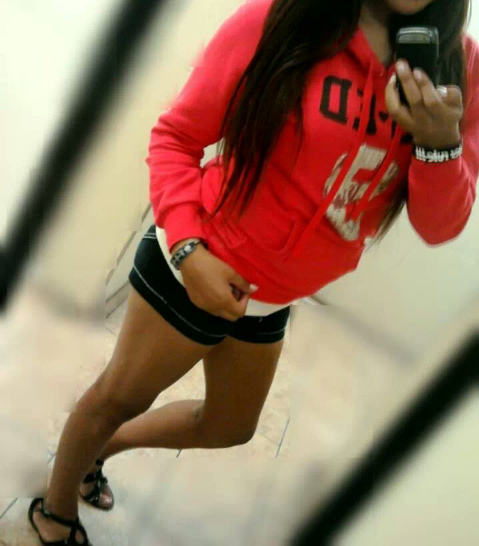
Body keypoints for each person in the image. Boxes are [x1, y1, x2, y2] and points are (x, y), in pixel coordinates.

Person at [28, 0, 479, 543]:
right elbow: (175, 137)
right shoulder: (282, 19)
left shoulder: (459, 68)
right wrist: (188, 251)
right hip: (198, 261)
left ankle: (103, 450)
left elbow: (440, 225)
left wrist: (439, 145)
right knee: (117, 399)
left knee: (230, 426)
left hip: (272, 295)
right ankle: (55, 510)